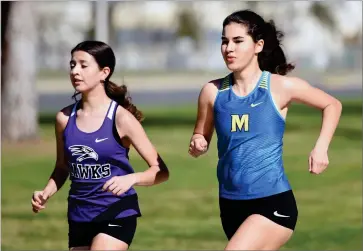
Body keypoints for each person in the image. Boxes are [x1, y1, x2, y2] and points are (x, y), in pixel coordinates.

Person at [188, 10, 342, 250]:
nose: (229, 48)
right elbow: (201, 134)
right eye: (224, 41)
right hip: (230, 203)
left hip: (272, 201)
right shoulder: (212, 92)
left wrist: (321, 148)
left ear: (258, 45)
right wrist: (198, 142)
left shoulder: (280, 87)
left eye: (238, 41)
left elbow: (332, 104)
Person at [31, 41, 169, 250]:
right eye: (72, 65)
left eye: (83, 65)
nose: (75, 71)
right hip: (79, 214)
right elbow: (62, 167)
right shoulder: (64, 118)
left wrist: (132, 178)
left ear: (104, 72)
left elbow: (161, 171)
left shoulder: (121, 119)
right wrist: (46, 192)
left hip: (117, 211)